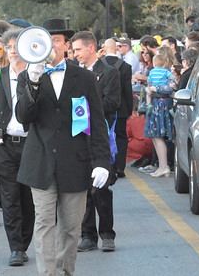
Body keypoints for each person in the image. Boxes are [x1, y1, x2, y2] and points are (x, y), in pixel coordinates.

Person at [15, 19, 111, 276]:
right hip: (41, 162)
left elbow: (97, 122)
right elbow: (24, 116)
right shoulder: (27, 76)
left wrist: (102, 161)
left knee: (70, 227)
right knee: (44, 223)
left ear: (66, 45)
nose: (50, 46)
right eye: (46, 40)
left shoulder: (85, 77)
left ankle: (64, 272)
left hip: (75, 162)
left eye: (55, 40)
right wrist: (33, 83)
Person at [0, 29, 35, 266]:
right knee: (9, 198)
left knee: (29, 199)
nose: (11, 52)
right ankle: (16, 248)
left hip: (33, 146)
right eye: (8, 47)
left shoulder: (36, 75)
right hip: (4, 145)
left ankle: (24, 243)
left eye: (15, 47)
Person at [71, 31, 120, 253]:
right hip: (78, 138)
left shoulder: (109, 73)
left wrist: (86, 104)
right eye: (73, 51)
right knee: (83, 190)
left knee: (101, 189)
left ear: (91, 48)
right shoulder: (71, 73)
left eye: (78, 50)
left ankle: (107, 234)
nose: (75, 54)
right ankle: (87, 235)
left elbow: (112, 103)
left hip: (100, 137)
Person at [103, 38, 133, 178]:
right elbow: (128, 90)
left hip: (102, 107)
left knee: (102, 136)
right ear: (116, 48)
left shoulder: (99, 65)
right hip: (121, 108)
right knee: (121, 137)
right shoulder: (125, 66)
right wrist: (129, 109)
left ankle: (106, 166)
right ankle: (120, 167)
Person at [126, 95, 152, 167]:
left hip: (142, 145)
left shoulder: (129, 118)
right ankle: (147, 159)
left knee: (123, 143)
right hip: (152, 143)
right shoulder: (143, 115)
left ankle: (140, 158)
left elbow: (126, 135)